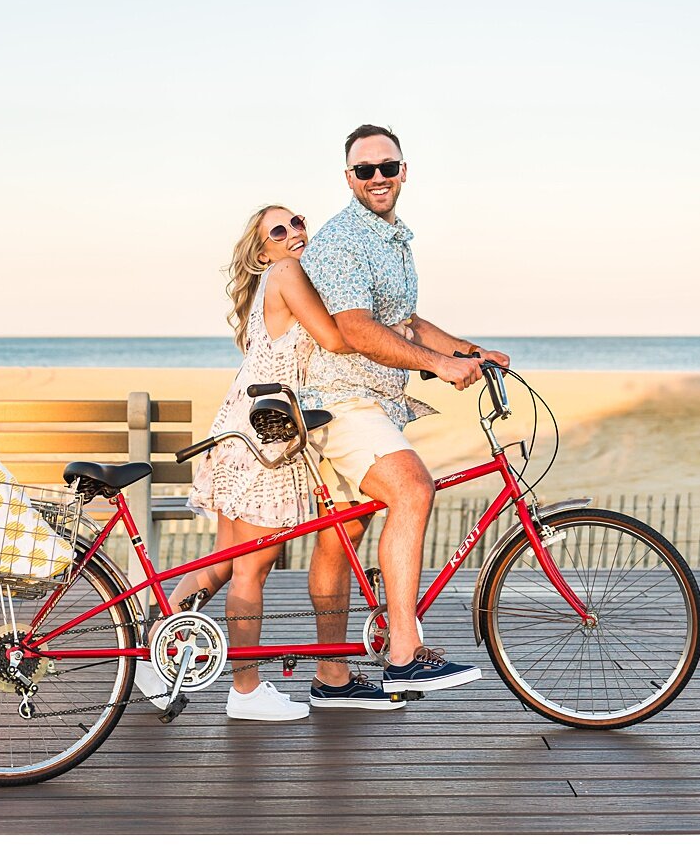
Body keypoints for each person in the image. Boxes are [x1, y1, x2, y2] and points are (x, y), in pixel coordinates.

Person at [136, 205, 411, 721]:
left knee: (221, 563)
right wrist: (379, 330)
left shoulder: (281, 279)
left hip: (246, 425)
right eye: (278, 231)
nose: (294, 234)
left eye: (298, 222)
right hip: (264, 435)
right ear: (263, 252)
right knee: (252, 567)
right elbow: (334, 337)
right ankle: (245, 690)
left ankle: (153, 658)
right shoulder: (286, 274)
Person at [299, 123, 509, 705]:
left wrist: (468, 351)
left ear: (403, 170)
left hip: (370, 400)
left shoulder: (392, 237)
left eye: (386, 167)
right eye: (364, 170)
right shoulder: (344, 240)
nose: (377, 178)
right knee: (413, 488)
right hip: (340, 399)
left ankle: (332, 679)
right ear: (349, 178)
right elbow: (355, 328)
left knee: (342, 538)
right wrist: (438, 366)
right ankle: (403, 655)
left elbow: (408, 321)